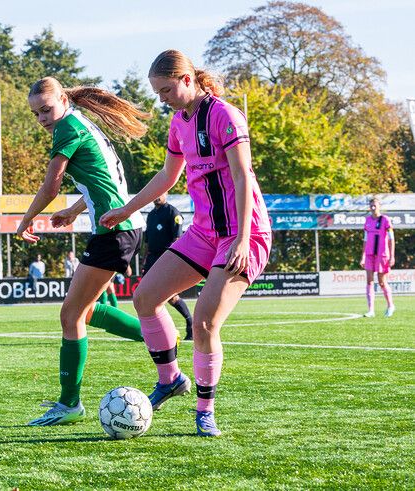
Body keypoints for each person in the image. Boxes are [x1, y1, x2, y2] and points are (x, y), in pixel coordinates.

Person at [100, 50, 272, 437]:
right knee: (145, 298)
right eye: (157, 92)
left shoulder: (225, 116)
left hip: (243, 233)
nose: (162, 98)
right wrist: (127, 208)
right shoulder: (178, 123)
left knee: (206, 322)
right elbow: (167, 176)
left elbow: (243, 177)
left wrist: (243, 239)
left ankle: (205, 410)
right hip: (205, 232)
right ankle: (171, 379)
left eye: (165, 89)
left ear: (188, 79)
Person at [17, 76, 150, 426]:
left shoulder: (67, 128)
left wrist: (26, 219)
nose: (43, 119)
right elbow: (104, 179)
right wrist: (75, 210)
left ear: (62, 99)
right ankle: (159, 342)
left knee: (70, 315)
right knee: (84, 312)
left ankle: (69, 403)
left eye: (46, 109)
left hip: (114, 230)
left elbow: (51, 185)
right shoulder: (79, 123)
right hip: (119, 226)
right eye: (36, 114)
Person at [143, 193, 194, 340]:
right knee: (145, 294)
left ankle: (190, 323)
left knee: (170, 296)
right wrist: (145, 259)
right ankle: (155, 330)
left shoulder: (173, 213)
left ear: (166, 194)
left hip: (165, 257)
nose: (157, 196)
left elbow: (177, 239)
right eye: (155, 194)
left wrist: (172, 260)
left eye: (160, 194)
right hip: (152, 258)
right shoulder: (151, 215)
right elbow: (147, 241)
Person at [360, 197, 395, 317]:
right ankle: (371, 310)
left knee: (381, 282)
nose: (373, 207)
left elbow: (391, 239)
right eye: (371, 205)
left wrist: (392, 256)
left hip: (382, 254)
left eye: (375, 205)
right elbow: (365, 239)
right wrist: (363, 256)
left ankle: (390, 305)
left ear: (379, 206)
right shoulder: (367, 220)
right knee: (369, 280)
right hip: (370, 254)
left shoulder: (385, 220)